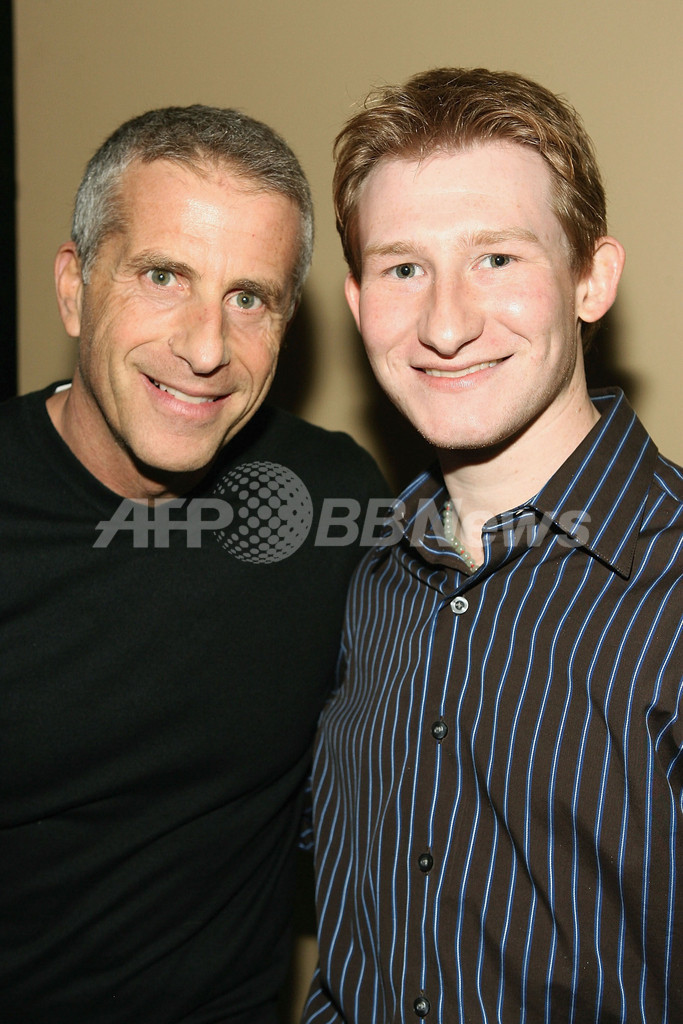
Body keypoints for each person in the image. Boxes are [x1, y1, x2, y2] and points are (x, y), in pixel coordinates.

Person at [304, 68, 682, 1023]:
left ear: (591, 279)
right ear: (356, 300)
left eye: (497, 258)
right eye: (402, 269)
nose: (445, 324)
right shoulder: (365, 579)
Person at [0, 105, 386, 1023]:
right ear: (74, 286)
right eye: (163, 276)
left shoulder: (328, 501)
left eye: (249, 298)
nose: (206, 348)